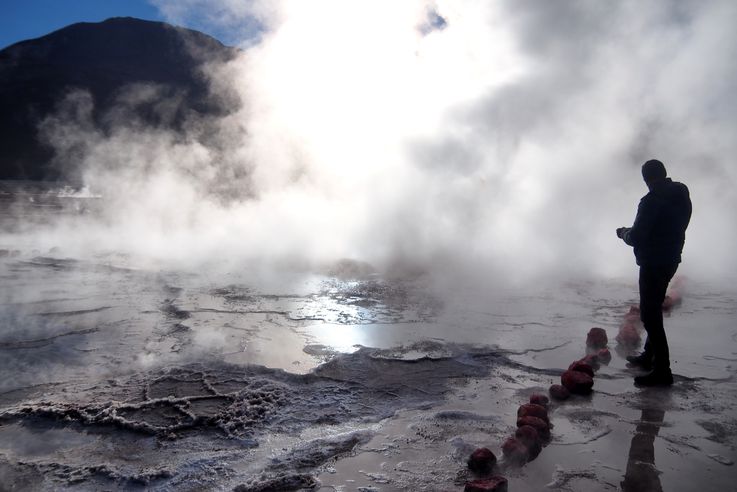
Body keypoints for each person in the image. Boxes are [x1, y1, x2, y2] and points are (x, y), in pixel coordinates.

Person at [616, 159, 692, 386]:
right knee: (655, 307)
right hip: (671, 258)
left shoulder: (650, 201)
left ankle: (662, 370)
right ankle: (649, 355)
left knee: (650, 315)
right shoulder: (681, 192)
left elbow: (637, 236)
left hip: (653, 262)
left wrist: (623, 233)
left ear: (646, 179)